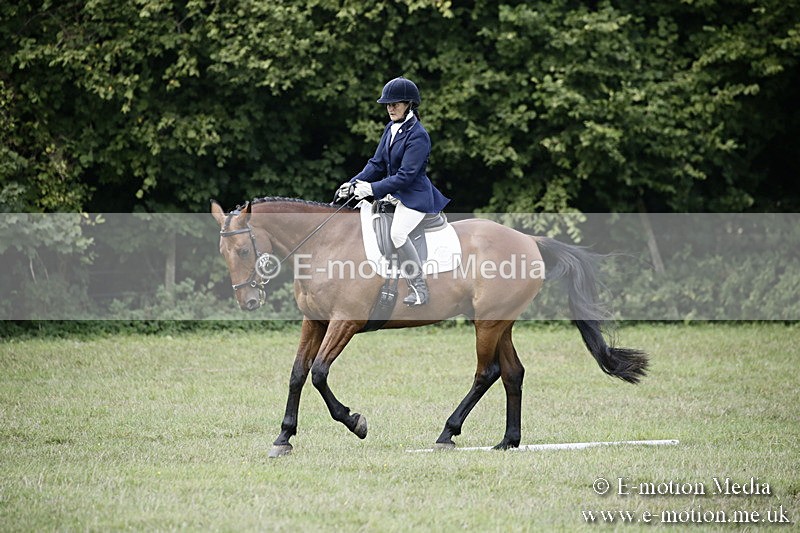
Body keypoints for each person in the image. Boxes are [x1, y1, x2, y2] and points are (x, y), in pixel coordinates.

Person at [336, 76, 450, 306]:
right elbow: (376, 163)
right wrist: (353, 183)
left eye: (395, 103)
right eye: (388, 104)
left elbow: (406, 176)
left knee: (397, 233)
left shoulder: (419, 135)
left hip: (415, 198)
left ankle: (419, 287)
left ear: (409, 104)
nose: (390, 108)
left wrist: (372, 188)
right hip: (396, 194)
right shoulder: (391, 128)